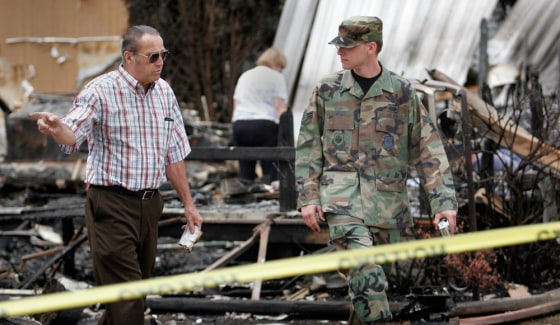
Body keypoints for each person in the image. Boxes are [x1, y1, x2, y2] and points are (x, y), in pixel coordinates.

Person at [30, 25, 203, 325]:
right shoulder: (101, 90)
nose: (160, 62)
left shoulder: (164, 93)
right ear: (129, 56)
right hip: (111, 204)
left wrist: (189, 204)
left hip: (150, 205)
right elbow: (73, 131)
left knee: (132, 295)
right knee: (127, 296)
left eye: (163, 54)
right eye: (152, 57)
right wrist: (56, 127)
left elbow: (173, 155)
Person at [295, 16, 458, 324]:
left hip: (388, 208)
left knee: (368, 287)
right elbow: (308, 147)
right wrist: (309, 195)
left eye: (348, 46)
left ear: (371, 47)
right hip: (342, 203)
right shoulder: (327, 90)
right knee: (367, 274)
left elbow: (428, 149)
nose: (339, 52)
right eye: (339, 45)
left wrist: (444, 202)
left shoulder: (402, 93)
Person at [231, 47, 288, 185]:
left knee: (245, 164)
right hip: (264, 124)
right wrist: (285, 132)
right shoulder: (277, 77)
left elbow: (236, 105)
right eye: (281, 67)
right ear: (277, 64)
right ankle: (270, 187)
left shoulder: (245, 75)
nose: (281, 70)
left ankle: (246, 189)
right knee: (270, 164)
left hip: (240, 124)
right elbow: (279, 107)